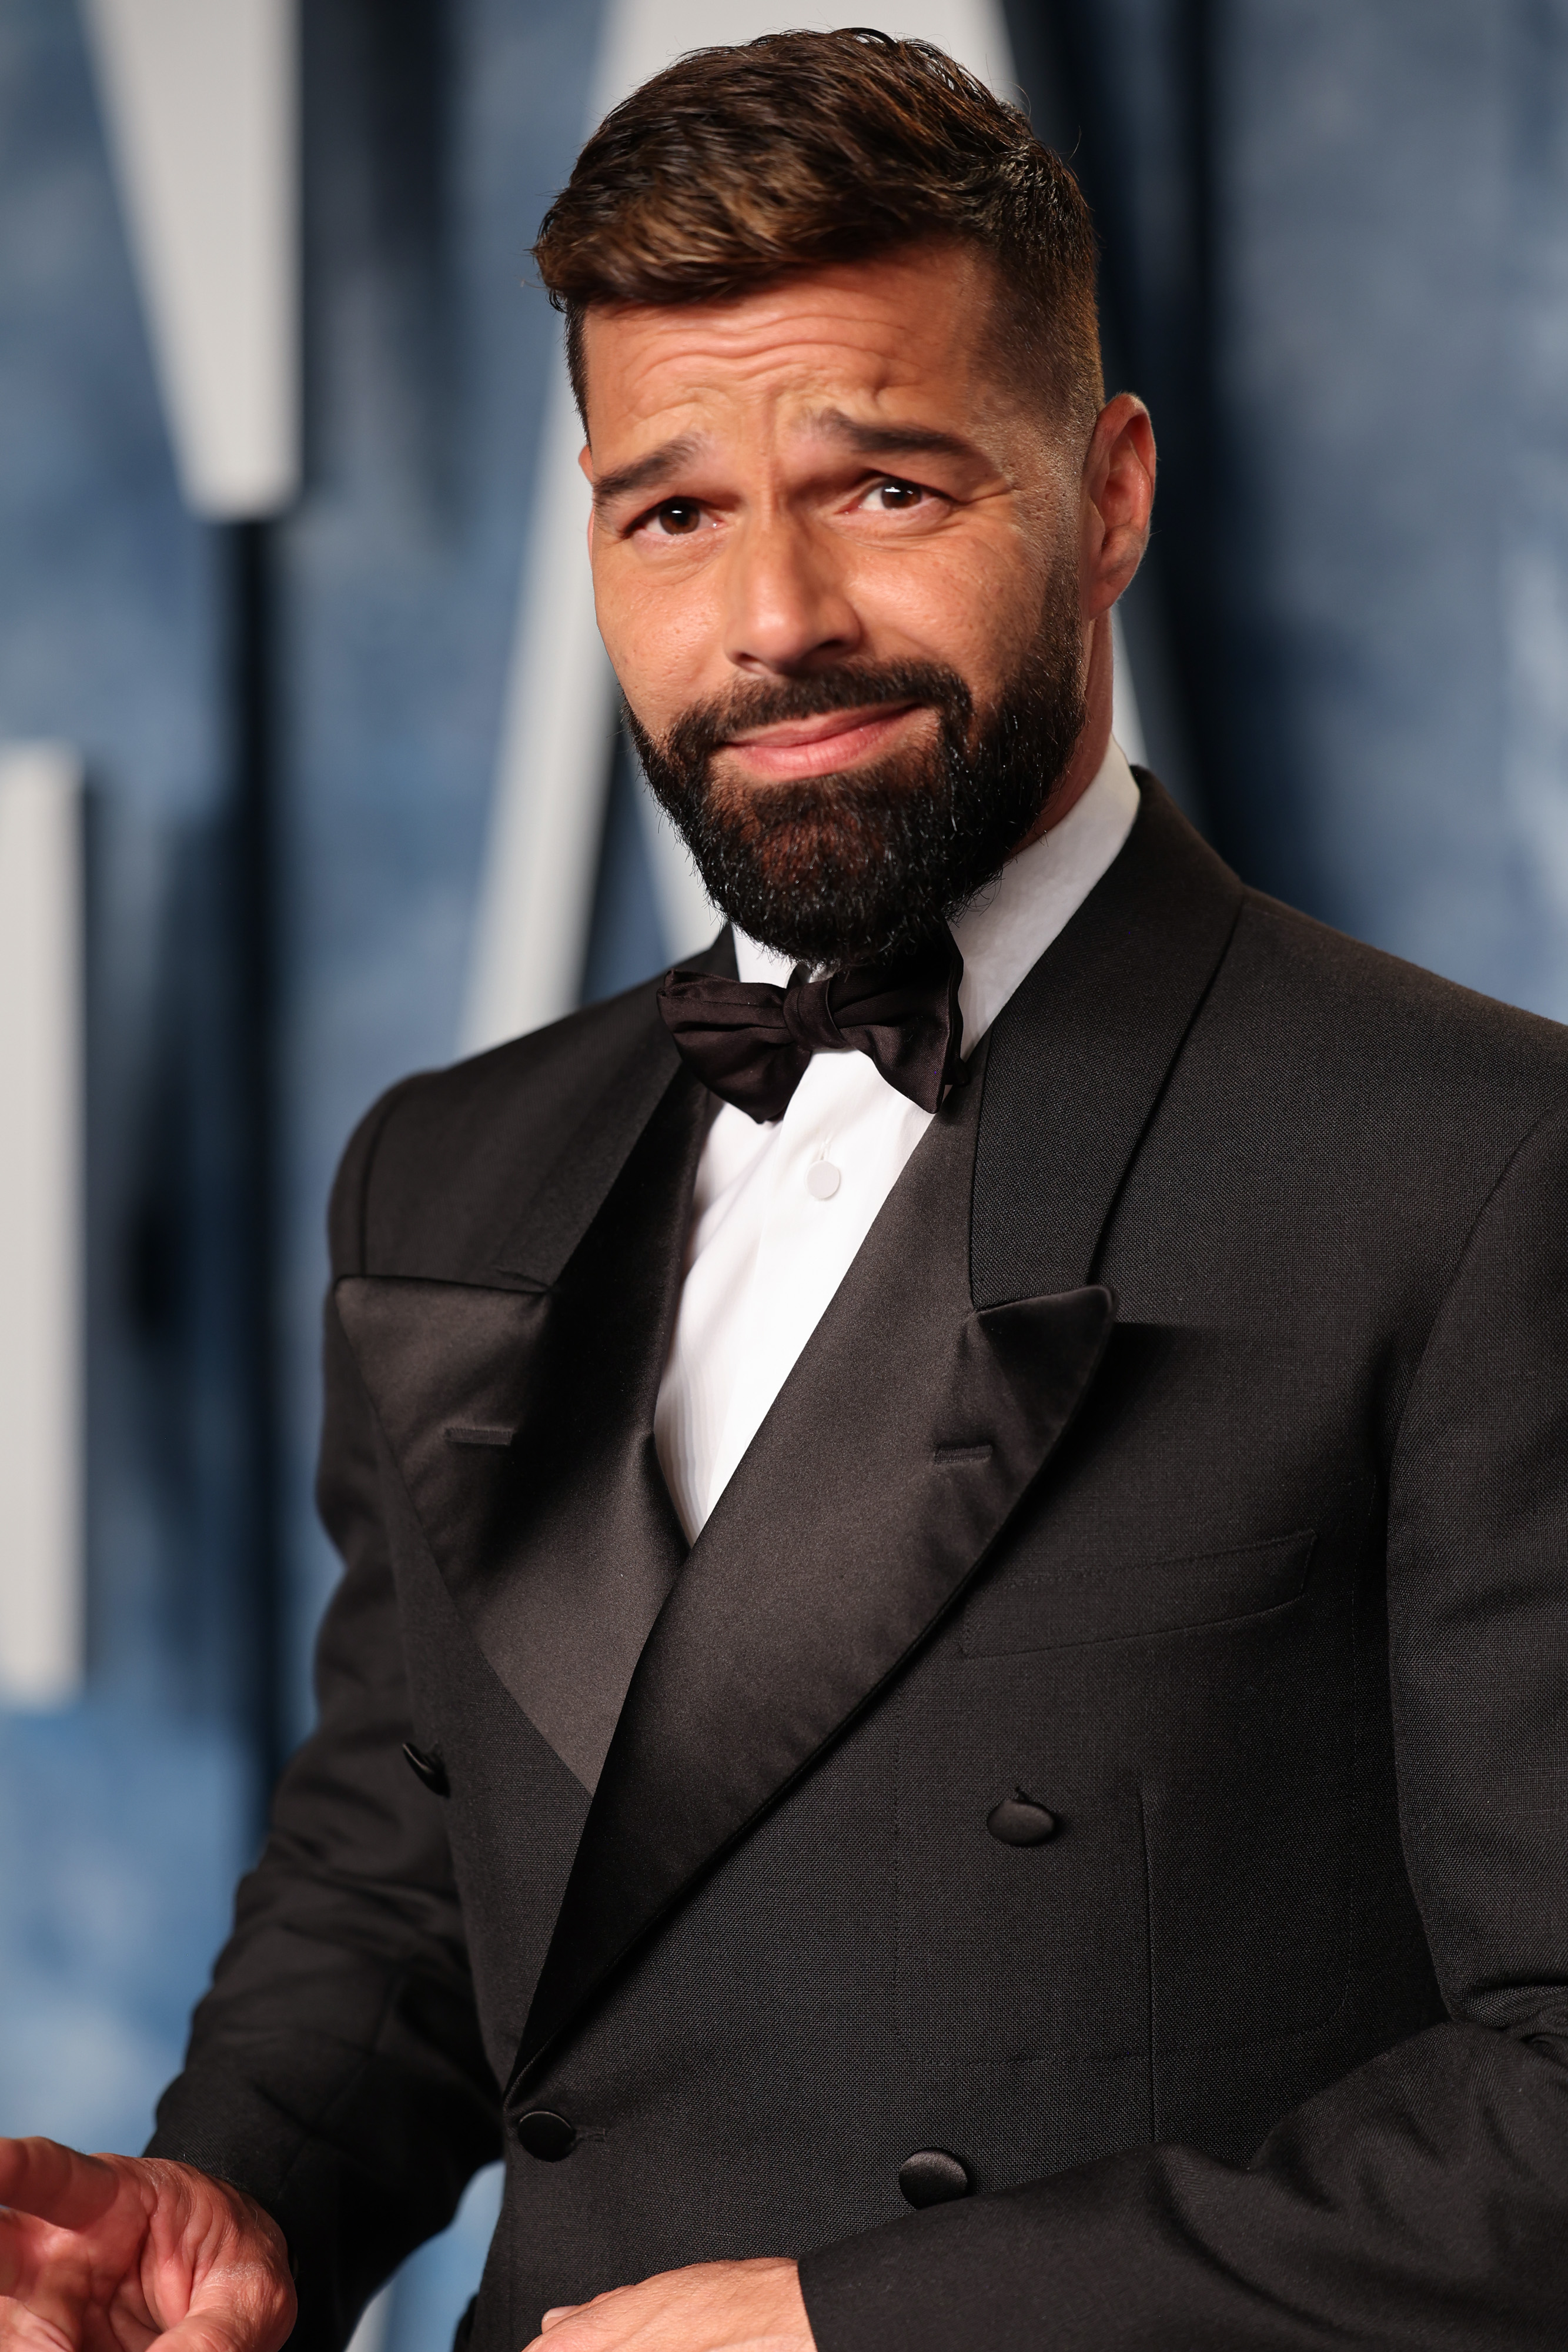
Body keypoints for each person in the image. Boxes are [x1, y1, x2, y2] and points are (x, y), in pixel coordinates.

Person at [4, 27, 1567, 2352]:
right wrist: (241, 2192)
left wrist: (869, 2324)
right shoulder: (449, 1169)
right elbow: (421, 1867)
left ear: (1108, 492)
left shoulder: (1471, 1169)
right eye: (672, 511)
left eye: (887, 489)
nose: (771, 618)